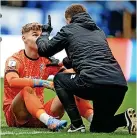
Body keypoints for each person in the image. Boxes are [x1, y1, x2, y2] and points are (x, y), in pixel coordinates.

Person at [36, 4, 136, 134]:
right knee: (99, 127)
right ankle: (125, 118)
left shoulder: (68, 29)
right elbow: (89, 56)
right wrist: (66, 62)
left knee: (60, 79)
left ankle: (77, 124)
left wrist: (44, 34)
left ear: (69, 19)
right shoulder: (98, 31)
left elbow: (44, 50)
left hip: (93, 82)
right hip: (118, 85)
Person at [3, 22, 93, 130]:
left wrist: (81, 66)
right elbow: (12, 81)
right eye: (35, 35)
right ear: (24, 38)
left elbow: (70, 74)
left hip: (39, 115)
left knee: (72, 87)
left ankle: (95, 120)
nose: (40, 39)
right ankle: (49, 121)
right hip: (16, 116)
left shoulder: (47, 60)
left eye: (41, 36)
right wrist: (43, 83)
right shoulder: (15, 60)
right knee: (27, 90)